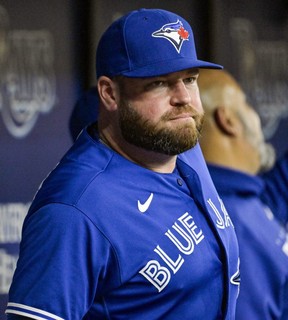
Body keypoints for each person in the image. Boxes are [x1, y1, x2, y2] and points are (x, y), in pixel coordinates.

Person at [6, 9, 240, 320]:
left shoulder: (178, 143)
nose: (183, 98)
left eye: (190, 79)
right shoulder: (73, 211)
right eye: (159, 83)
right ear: (109, 93)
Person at [198, 68, 288, 319]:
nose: (256, 115)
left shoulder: (240, 197)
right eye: (246, 104)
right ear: (228, 121)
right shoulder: (228, 227)